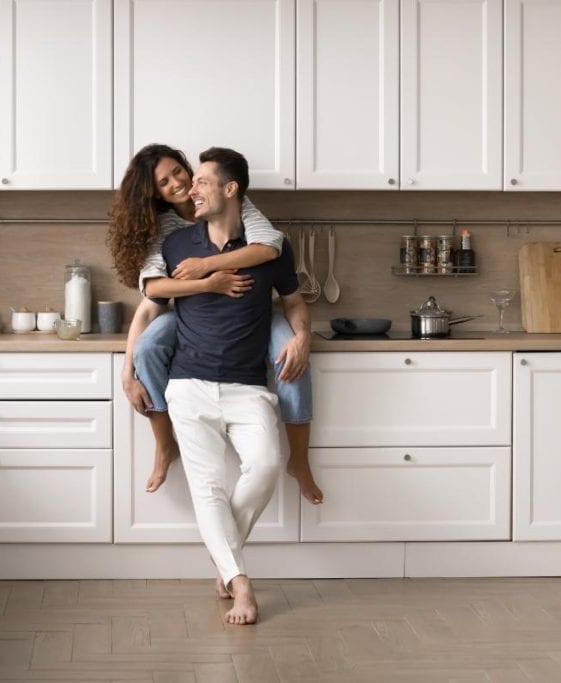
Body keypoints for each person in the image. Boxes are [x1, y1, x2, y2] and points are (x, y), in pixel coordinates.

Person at [107, 144, 322, 504]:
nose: (179, 183)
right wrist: (126, 373)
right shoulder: (166, 232)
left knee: (293, 357)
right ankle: (164, 444)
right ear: (154, 193)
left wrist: (208, 266)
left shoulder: (232, 199)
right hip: (190, 311)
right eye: (164, 181)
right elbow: (152, 293)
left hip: (252, 312)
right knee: (146, 349)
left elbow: (269, 248)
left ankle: (299, 460)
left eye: (180, 171)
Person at [149, 147, 309, 625]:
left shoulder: (270, 245)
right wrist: (203, 279)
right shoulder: (178, 244)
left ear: (230, 189)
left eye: (200, 182)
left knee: (267, 464)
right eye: (189, 182)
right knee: (207, 486)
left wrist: (301, 335)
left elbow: (296, 302)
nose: (190, 190)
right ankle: (241, 585)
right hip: (188, 383)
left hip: (247, 386)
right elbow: (151, 292)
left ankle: (224, 559)